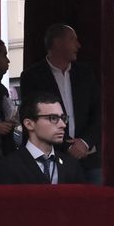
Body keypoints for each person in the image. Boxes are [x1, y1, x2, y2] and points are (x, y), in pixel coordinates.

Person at [17, 24, 101, 181]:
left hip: (89, 158)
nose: (78, 45)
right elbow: (32, 116)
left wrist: (85, 142)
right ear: (57, 42)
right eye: (73, 40)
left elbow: (99, 112)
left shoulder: (85, 73)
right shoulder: (32, 76)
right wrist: (68, 146)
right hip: (52, 157)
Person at [0, 92, 85, 185]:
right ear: (29, 124)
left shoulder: (72, 165)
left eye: (63, 118)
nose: (63, 125)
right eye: (53, 118)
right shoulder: (7, 167)